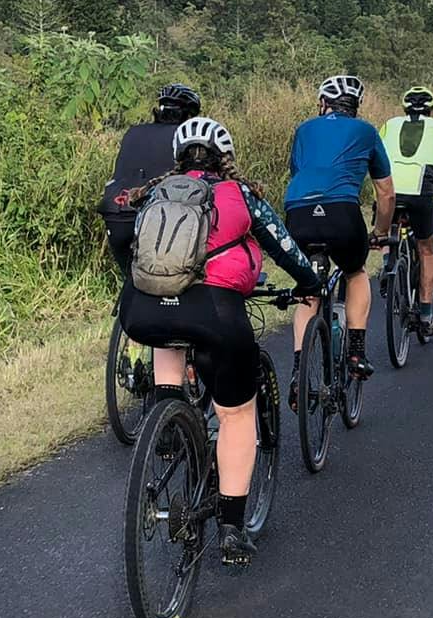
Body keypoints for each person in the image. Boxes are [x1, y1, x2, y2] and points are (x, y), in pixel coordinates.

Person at [121, 117, 320, 564]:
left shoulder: (155, 193)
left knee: (168, 332)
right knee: (236, 414)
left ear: (178, 157)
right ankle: (231, 528)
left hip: (144, 310)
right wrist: (310, 282)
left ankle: (167, 415)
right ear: (224, 159)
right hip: (215, 313)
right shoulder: (239, 194)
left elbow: (130, 248)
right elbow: (283, 246)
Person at [284, 73, 393, 387]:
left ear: (322, 103)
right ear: (356, 106)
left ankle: (297, 370)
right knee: (355, 271)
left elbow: (298, 172)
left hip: (299, 212)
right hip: (342, 213)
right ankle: (357, 352)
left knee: (308, 290)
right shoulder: (366, 131)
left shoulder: (303, 129)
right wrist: (379, 231)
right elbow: (385, 192)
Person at [378, 86, 433, 338]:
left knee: (384, 229)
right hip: (420, 191)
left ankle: (387, 265)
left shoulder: (389, 124)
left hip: (390, 189)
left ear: (404, 108)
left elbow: (376, 157)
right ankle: (426, 316)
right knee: (426, 249)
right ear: (431, 109)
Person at [100, 83, 201, 278]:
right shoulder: (185, 138)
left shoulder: (133, 132)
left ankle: (129, 303)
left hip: (115, 212)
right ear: (189, 115)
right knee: (171, 281)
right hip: (156, 214)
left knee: (131, 280)